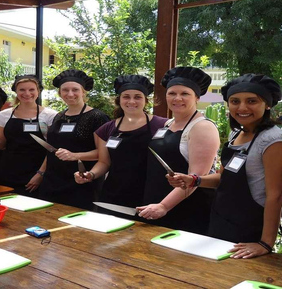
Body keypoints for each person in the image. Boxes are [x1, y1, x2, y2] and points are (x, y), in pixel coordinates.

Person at [167, 74, 282, 258]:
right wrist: (194, 180)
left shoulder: (272, 139)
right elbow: (223, 177)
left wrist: (265, 243)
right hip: (222, 219)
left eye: (251, 101)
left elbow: (275, 195)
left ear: (268, 104)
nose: (242, 107)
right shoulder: (236, 134)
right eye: (235, 101)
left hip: (249, 228)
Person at [137, 67, 220, 235]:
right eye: (172, 93)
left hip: (186, 210)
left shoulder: (202, 127)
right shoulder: (168, 124)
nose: (177, 98)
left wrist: (164, 206)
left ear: (197, 97)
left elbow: (194, 179)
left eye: (185, 94)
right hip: (156, 205)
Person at [75, 75, 167, 217]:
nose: (131, 101)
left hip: (149, 196)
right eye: (126, 97)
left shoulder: (162, 125)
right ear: (119, 100)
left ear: (146, 100)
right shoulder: (106, 129)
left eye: (137, 97)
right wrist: (91, 175)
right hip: (114, 195)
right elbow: (104, 162)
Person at [35, 70, 109, 210]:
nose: (70, 94)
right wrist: (41, 173)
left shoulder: (97, 117)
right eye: (65, 90)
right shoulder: (59, 116)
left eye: (75, 90)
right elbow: (51, 149)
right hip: (53, 180)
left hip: (82, 180)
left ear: (83, 92)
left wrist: (75, 156)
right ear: (60, 93)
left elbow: (104, 154)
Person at [0, 74, 57, 196]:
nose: (27, 93)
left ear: (38, 91)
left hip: (37, 170)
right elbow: (2, 145)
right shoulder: (3, 115)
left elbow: (51, 149)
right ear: (16, 92)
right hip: (8, 170)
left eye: (31, 90)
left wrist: (40, 174)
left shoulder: (50, 115)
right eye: (22, 90)